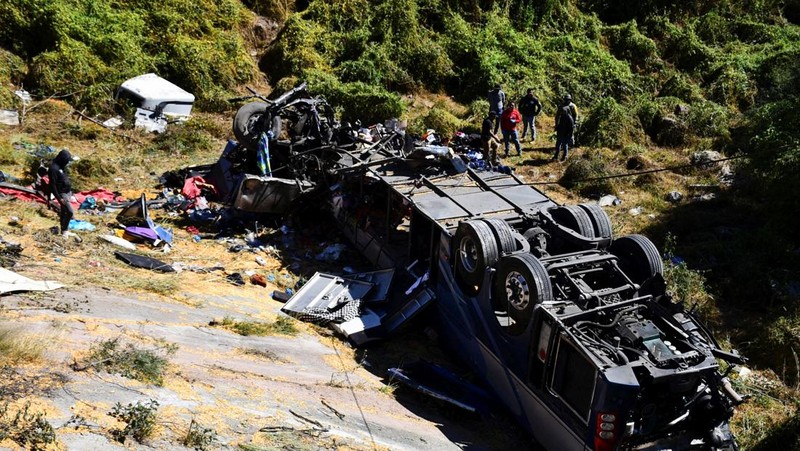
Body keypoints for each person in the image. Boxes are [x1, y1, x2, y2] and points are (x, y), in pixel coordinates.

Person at [48, 149, 78, 236]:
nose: (67, 162)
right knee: (69, 212)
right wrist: (59, 197)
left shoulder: (61, 167)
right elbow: (52, 185)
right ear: (62, 159)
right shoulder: (53, 169)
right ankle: (65, 230)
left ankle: (63, 230)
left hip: (67, 192)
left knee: (64, 212)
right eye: (66, 160)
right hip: (62, 193)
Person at [553, 95, 578, 162]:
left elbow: (575, 116)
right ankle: (556, 155)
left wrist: (574, 124)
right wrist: (556, 125)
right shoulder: (561, 107)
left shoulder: (573, 107)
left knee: (565, 143)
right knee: (558, 143)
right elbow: (557, 116)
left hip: (568, 128)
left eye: (568, 100)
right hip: (561, 128)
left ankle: (565, 156)